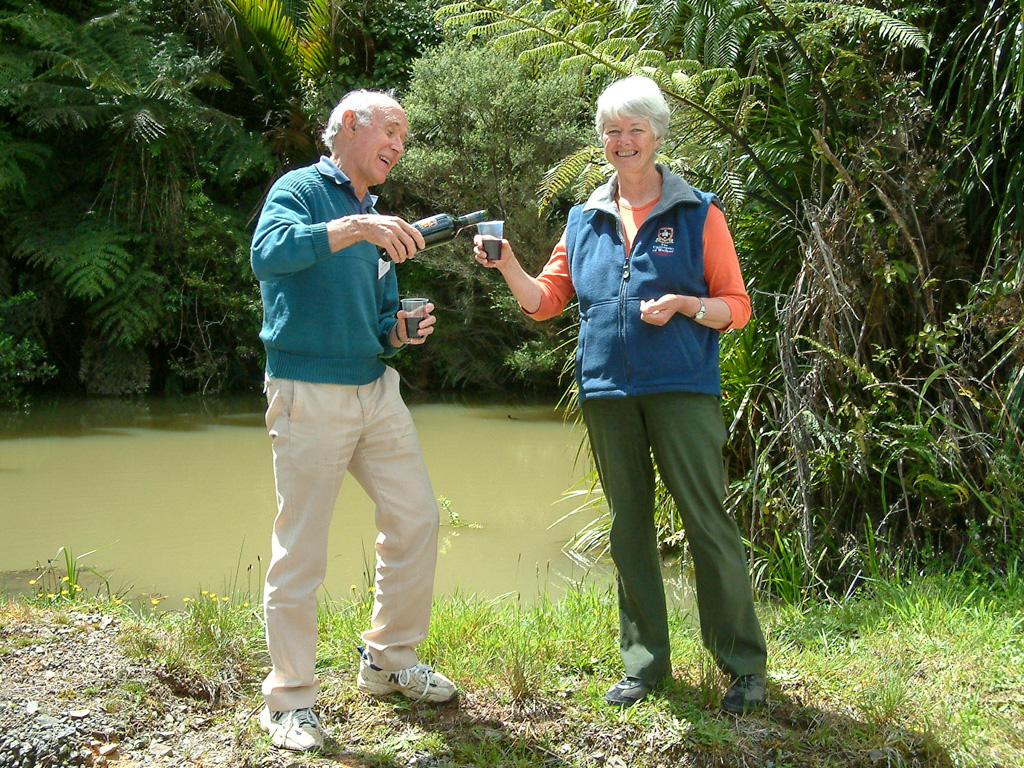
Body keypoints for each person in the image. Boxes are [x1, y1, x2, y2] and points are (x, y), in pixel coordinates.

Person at [473, 75, 767, 714]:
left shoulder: (700, 213)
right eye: (612, 130)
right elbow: (545, 302)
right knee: (628, 527)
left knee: (706, 522)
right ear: (600, 140)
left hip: (682, 390)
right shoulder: (584, 219)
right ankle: (645, 665)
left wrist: (690, 304)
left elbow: (737, 307)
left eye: (635, 129)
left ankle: (742, 665)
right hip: (606, 392)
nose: (622, 140)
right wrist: (506, 263)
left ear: (658, 136)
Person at [250, 89, 457, 752]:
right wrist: (358, 229)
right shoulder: (302, 189)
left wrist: (400, 330)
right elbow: (270, 253)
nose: (398, 145)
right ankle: (289, 702)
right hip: (307, 390)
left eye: (404, 136)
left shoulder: (376, 215)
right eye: (390, 130)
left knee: (416, 517)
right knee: (302, 547)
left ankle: (388, 661)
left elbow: (377, 318)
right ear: (348, 128)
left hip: (375, 388)